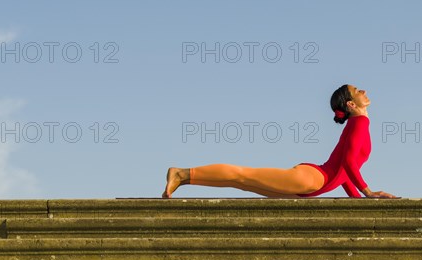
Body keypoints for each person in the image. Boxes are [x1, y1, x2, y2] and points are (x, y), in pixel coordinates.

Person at [162, 84, 400, 199]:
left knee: (242, 182)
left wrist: (359, 202)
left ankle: (185, 177)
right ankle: (181, 173)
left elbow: (346, 171)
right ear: (351, 104)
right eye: (358, 90)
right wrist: (368, 193)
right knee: (242, 175)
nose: (364, 91)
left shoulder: (357, 125)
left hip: (315, 182)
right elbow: (347, 163)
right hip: (311, 178)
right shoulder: (359, 124)